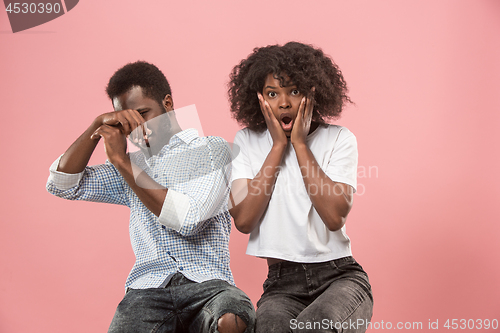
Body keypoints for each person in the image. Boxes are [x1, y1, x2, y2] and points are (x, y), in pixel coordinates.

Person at [46, 61, 255, 333]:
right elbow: (62, 184)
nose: (138, 128)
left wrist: (122, 162)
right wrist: (96, 126)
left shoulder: (211, 150)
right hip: (146, 290)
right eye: (127, 120)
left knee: (233, 317)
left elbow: (188, 219)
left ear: (167, 103)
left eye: (144, 113)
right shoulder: (133, 166)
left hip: (208, 286)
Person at [227, 42, 373, 332]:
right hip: (281, 283)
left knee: (312, 327)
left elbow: (334, 217)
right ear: (259, 99)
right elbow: (244, 220)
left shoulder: (339, 139)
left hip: (339, 276)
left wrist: (300, 144)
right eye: (272, 93)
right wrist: (278, 146)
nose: (284, 103)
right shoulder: (246, 141)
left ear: (312, 92)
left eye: (294, 91)